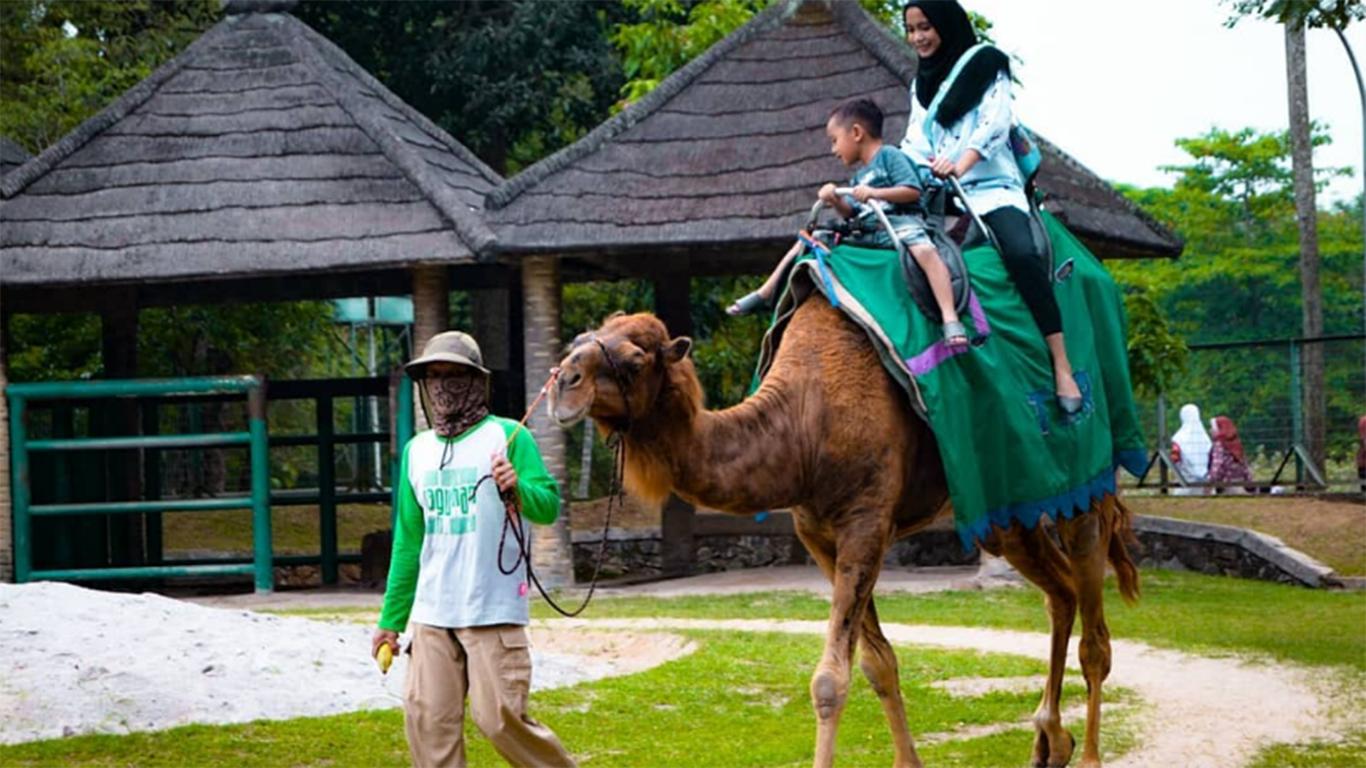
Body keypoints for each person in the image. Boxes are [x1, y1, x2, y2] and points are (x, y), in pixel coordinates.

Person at [372, 330, 576, 768]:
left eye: (455, 375)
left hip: (492, 610)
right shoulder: (416, 452)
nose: (444, 386)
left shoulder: (509, 437)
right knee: (429, 724)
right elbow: (409, 541)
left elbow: (548, 505)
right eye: (434, 376)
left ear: (477, 381)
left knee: (500, 720)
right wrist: (390, 621)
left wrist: (516, 487)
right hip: (431, 615)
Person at [899, 0, 1083, 413]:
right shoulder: (921, 84)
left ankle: (1061, 363)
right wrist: (899, 171)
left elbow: (995, 124)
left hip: (992, 186)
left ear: (945, 23)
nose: (918, 38)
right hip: (942, 189)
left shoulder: (988, 65)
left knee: (1020, 253)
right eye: (911, 30)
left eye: (925, 27)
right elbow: (915, 140)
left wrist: (960, 164)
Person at [729, 98, 969, 348]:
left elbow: (912, 191)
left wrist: (876, 193)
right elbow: (852, 214)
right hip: (868, 230)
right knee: (810, 240)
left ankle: (949, 317)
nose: (833, 150)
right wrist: (835, 199)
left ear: (856, 133)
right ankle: (766, 292)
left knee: (925, 251)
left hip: (900, 225)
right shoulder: (859, 176)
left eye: (835, 140)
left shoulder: (890, 156)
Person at [1169, 403, 1212, 494]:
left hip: (1185, 482)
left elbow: (1175, 458)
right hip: (1205, 482)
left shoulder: (1178, 438)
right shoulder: (1205, 438)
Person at [1207, 415, 1252, 490]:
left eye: (1213, 428)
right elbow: (1245, 465)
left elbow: (1217, 465)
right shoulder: (1236, 443)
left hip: (1225, 484)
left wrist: (1210, 482)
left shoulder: (1219, 444)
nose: (1210, 430)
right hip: (1240, 483)